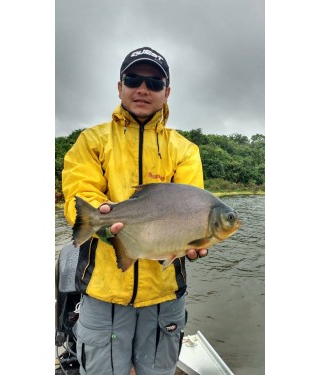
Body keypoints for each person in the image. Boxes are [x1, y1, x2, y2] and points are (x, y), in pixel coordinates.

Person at [61, 46, 208, 375]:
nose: (143, 89)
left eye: (154, 84)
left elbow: (191, 205)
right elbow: (78, 194)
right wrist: (100, 220)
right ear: (119, 86)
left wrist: (196, 239)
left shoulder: (185, 150)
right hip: (103, 291)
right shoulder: (91, 141)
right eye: (133, 79)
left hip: (165, 293)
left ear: (167, 92)